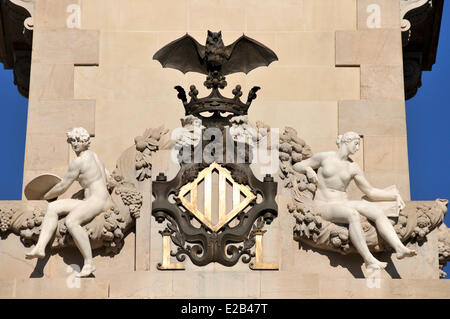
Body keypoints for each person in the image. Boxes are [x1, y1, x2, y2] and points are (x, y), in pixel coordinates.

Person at [293, 131, 416, 269]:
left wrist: (394, 196)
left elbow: (370, 191)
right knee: (352, 214)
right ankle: (369, 259)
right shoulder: (325, 157)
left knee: (376, 211)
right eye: (356, 144)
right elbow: (297, 166)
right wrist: (309, 170)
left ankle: (399, 248)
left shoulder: (353, 167)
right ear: (346, 141)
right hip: (324, 205)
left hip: (342, 202)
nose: (357, 148)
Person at [25, 127, 111, 277]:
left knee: (72, 221)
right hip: (93, 199)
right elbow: (109, 180)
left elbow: (62, 186)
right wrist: (86, 189)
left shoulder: (78, 162)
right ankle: (40, 247)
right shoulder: (96, 157)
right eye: (72, 141)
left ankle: (89, 263)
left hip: (97, 201)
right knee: (52, 207)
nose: (75, 144)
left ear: (85, 141)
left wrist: (43, 196)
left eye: (78, 140)